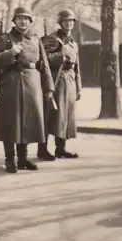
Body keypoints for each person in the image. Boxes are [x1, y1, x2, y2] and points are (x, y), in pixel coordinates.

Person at [0, 6, 54, 173]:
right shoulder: (5, 39)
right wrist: (10, 52)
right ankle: (10, 159)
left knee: (27, 122)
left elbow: (44, 64)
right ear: (14, 20)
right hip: (11, 83)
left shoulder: (35, 38)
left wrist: (48, 87)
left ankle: (23, 159)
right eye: (19, 18)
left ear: (30, 21)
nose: (23, 21)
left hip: (33, 82)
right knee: (12, 122)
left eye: (26, 18)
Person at [37, 8, 82, 160]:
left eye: (71, 21)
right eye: (66, 21)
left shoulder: (73, 42)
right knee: (52, 115)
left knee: (66, 117)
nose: (69, 23)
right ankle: (42, 149)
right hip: (57, 80)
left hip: (70, 81)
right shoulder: (52, 39)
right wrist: (59, 56)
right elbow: (44, 59)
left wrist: (78, 87)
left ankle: (60, 149)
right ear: (60, 23)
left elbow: (77, 67)